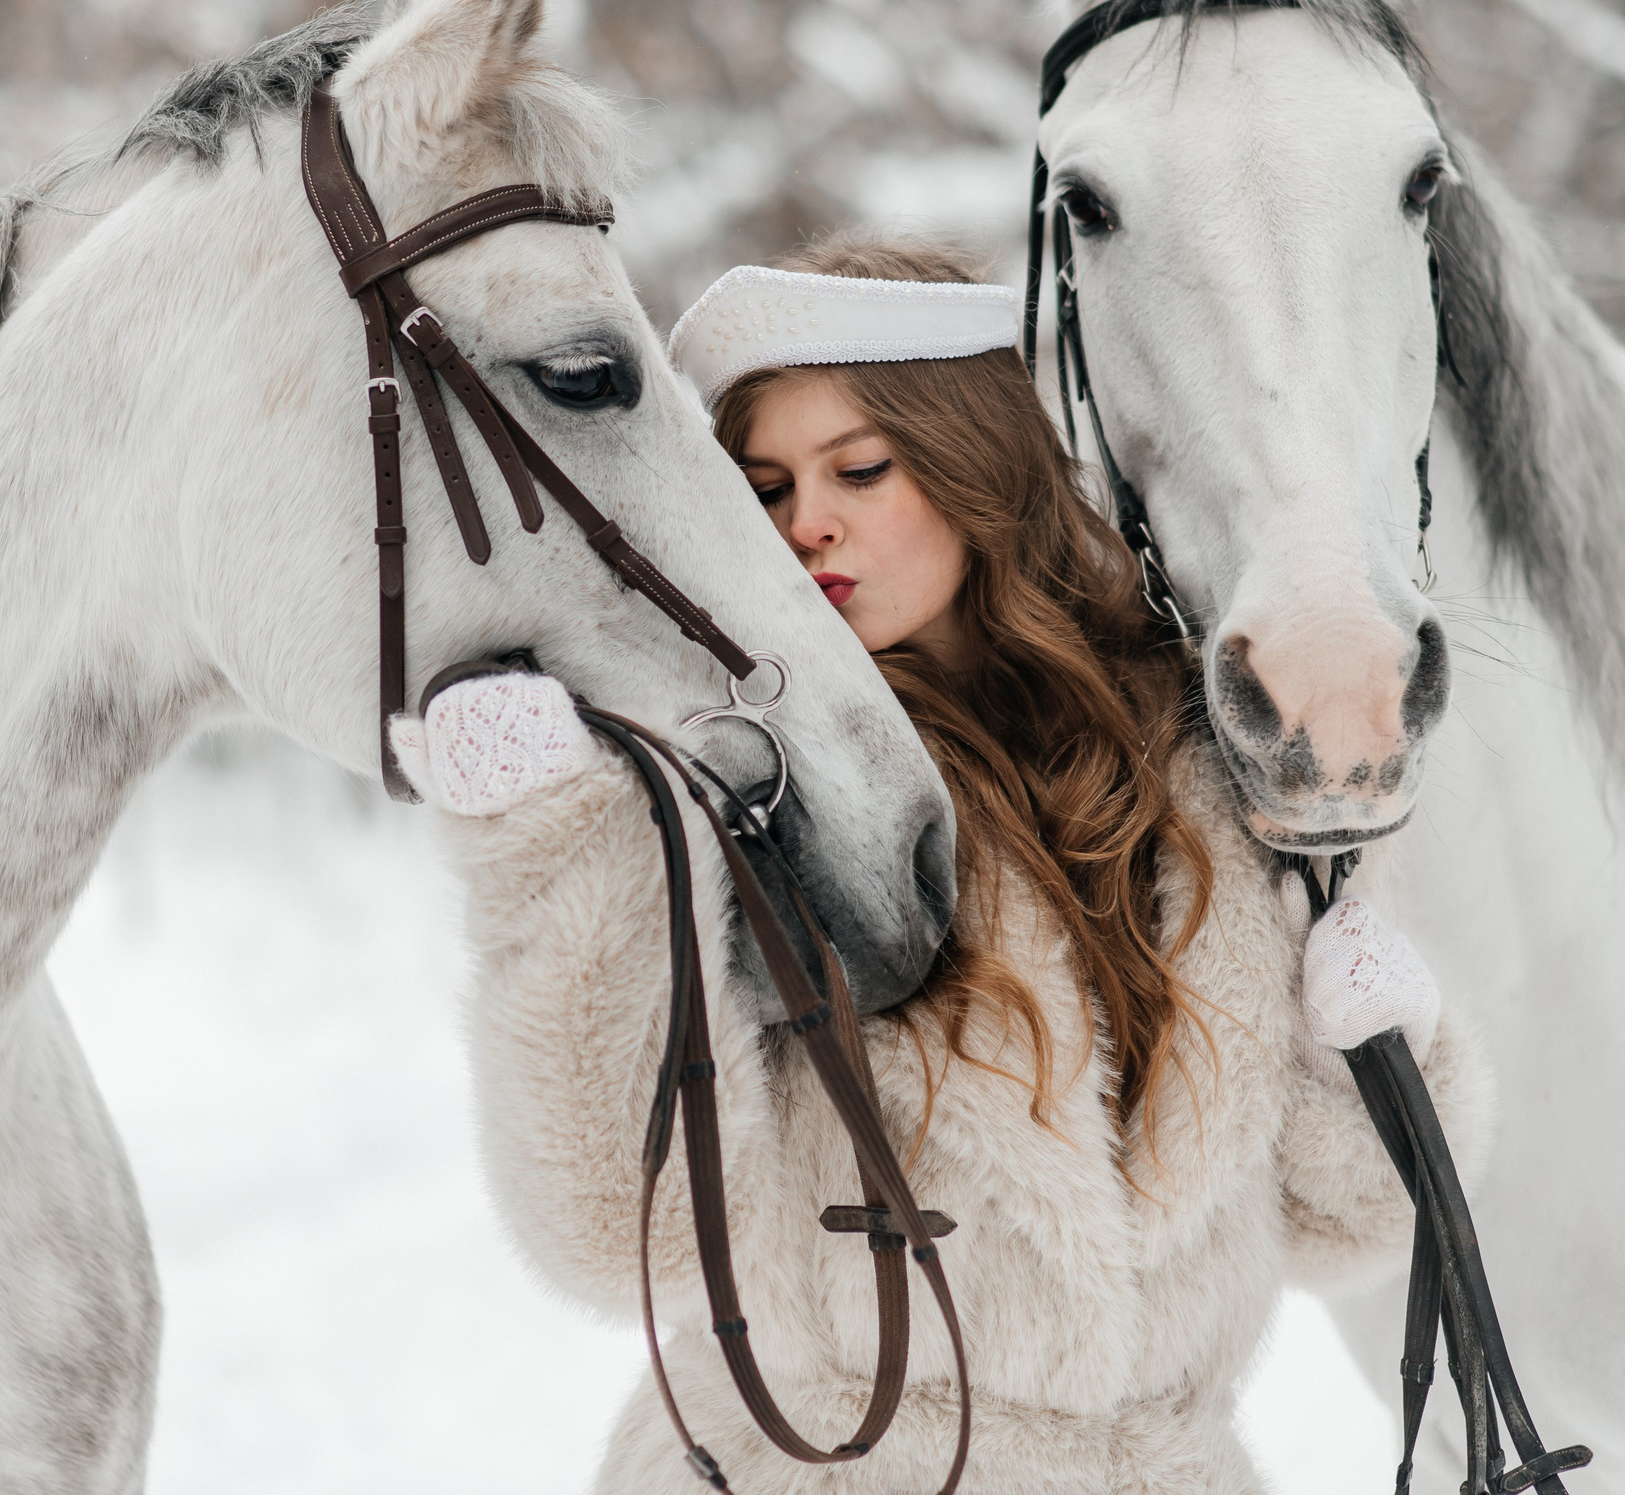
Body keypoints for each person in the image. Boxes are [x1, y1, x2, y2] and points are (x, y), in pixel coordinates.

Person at [389, 234, 1489, 1493]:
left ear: (976, 464)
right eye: (762, 489)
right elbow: (614, 1231)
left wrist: (1383, 1054)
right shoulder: (728, 780)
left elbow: (1339, 1217)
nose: (808, 523)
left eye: (860, 468)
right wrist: (556, 853)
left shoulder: (1197, 765)